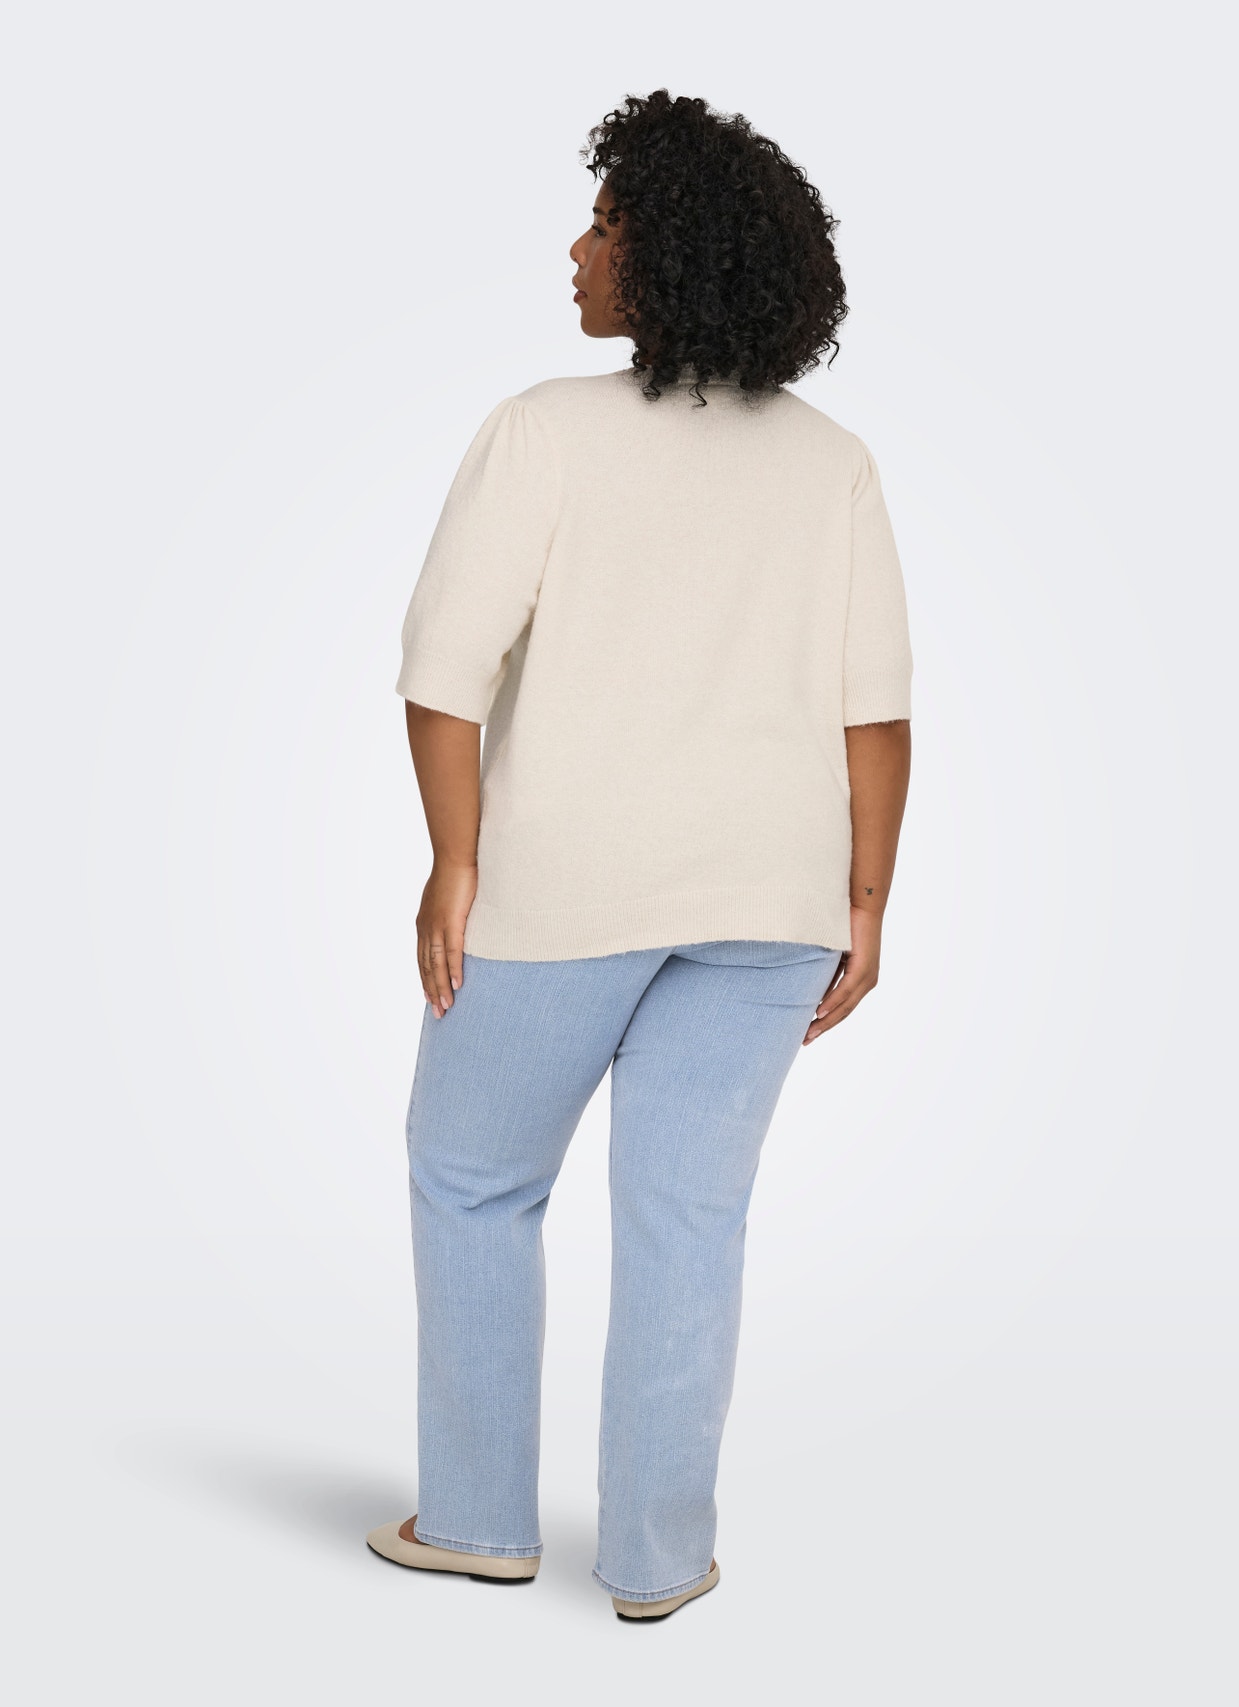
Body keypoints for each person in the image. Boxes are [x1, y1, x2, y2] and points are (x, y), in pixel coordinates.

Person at [366, 89, 913, 1622]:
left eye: (605, 224)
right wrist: (866, 906)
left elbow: (443, 675)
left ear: (668, 254)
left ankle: (478, 1521)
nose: (577, 249)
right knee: (689, 1219)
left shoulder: (543, 431)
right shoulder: (834, 462)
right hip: (775, 904)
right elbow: (877, 714)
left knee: (475, 1180)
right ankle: (661, 1561)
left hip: (565, 890)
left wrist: (454, 863)